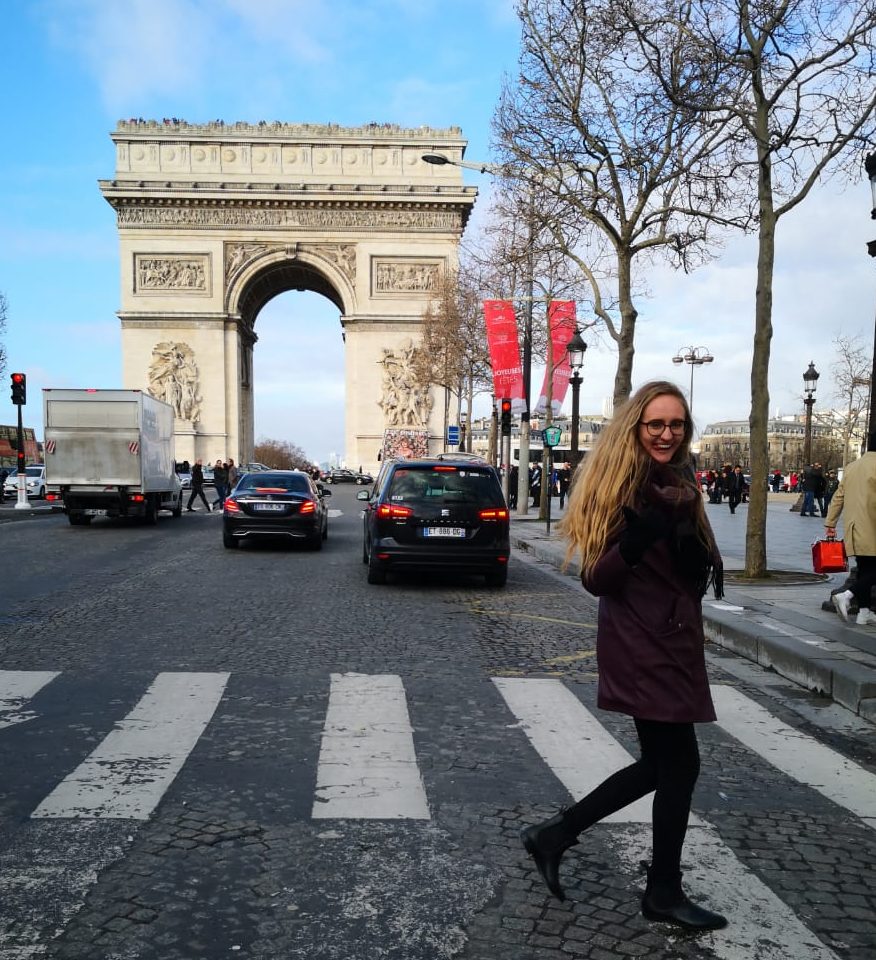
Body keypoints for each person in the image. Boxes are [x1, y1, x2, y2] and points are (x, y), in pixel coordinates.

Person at [520, 380, 727, 931]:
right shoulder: (625, 487)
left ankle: (557, 835)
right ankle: (660, 889)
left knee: (665, 764)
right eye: (656, 424)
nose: (666, 433)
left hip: (670, 637)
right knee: (678, 764)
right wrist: (638, 541)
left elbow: (686, 572)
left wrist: (686, 544)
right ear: (636, 427)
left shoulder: (676, 482)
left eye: (676, 424)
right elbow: (595, 577)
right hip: (643, 643)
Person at [826, 434, 876, 626]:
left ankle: (864, 612)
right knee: (871, 571)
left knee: (865, 569)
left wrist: (830, 523)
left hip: (854, 528)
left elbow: (839, 497)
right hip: (872, 526)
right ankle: (847, 595)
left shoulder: (852, 467)